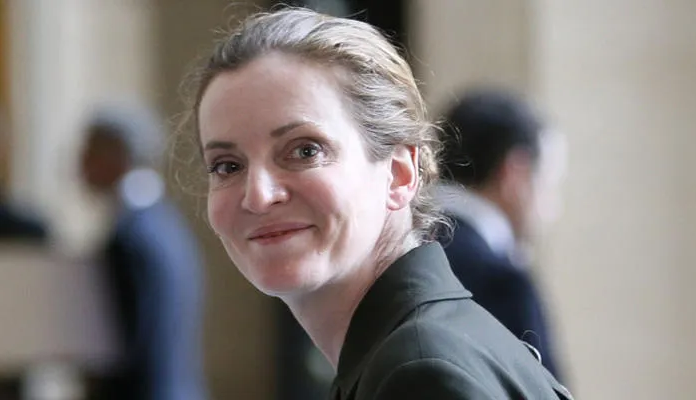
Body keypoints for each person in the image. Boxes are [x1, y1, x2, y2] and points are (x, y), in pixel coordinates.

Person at [184, 7, 572, 400]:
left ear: (400, 174)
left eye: (304, 151)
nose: (258, 196)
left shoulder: (419, 374)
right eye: (227, 165)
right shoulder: (420, 347)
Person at [435, 89, 569, 380]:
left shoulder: (386, 251)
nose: (551, 210)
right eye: (549, 184)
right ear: (515, 173)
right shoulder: (501, 281)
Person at [79, 103, 207, 400]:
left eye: (89, 151)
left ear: (117, 155)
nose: (80, 163)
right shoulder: (165, 222)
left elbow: (125, 347)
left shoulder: (131, 236)